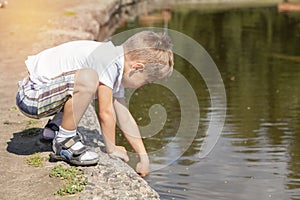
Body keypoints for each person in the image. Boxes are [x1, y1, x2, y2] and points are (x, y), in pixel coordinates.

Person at [16, 31, 174, 177]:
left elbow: (123, 115)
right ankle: (64, 142)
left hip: (43, 95)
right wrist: (111, 149)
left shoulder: (114, 62)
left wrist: (143, 157)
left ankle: (54, 130)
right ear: (137, 67)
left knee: (90, 82)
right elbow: (106, 112)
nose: (143, 86)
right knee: (89, 79)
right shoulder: (109, 61)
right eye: (146, 81)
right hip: (31, 98)